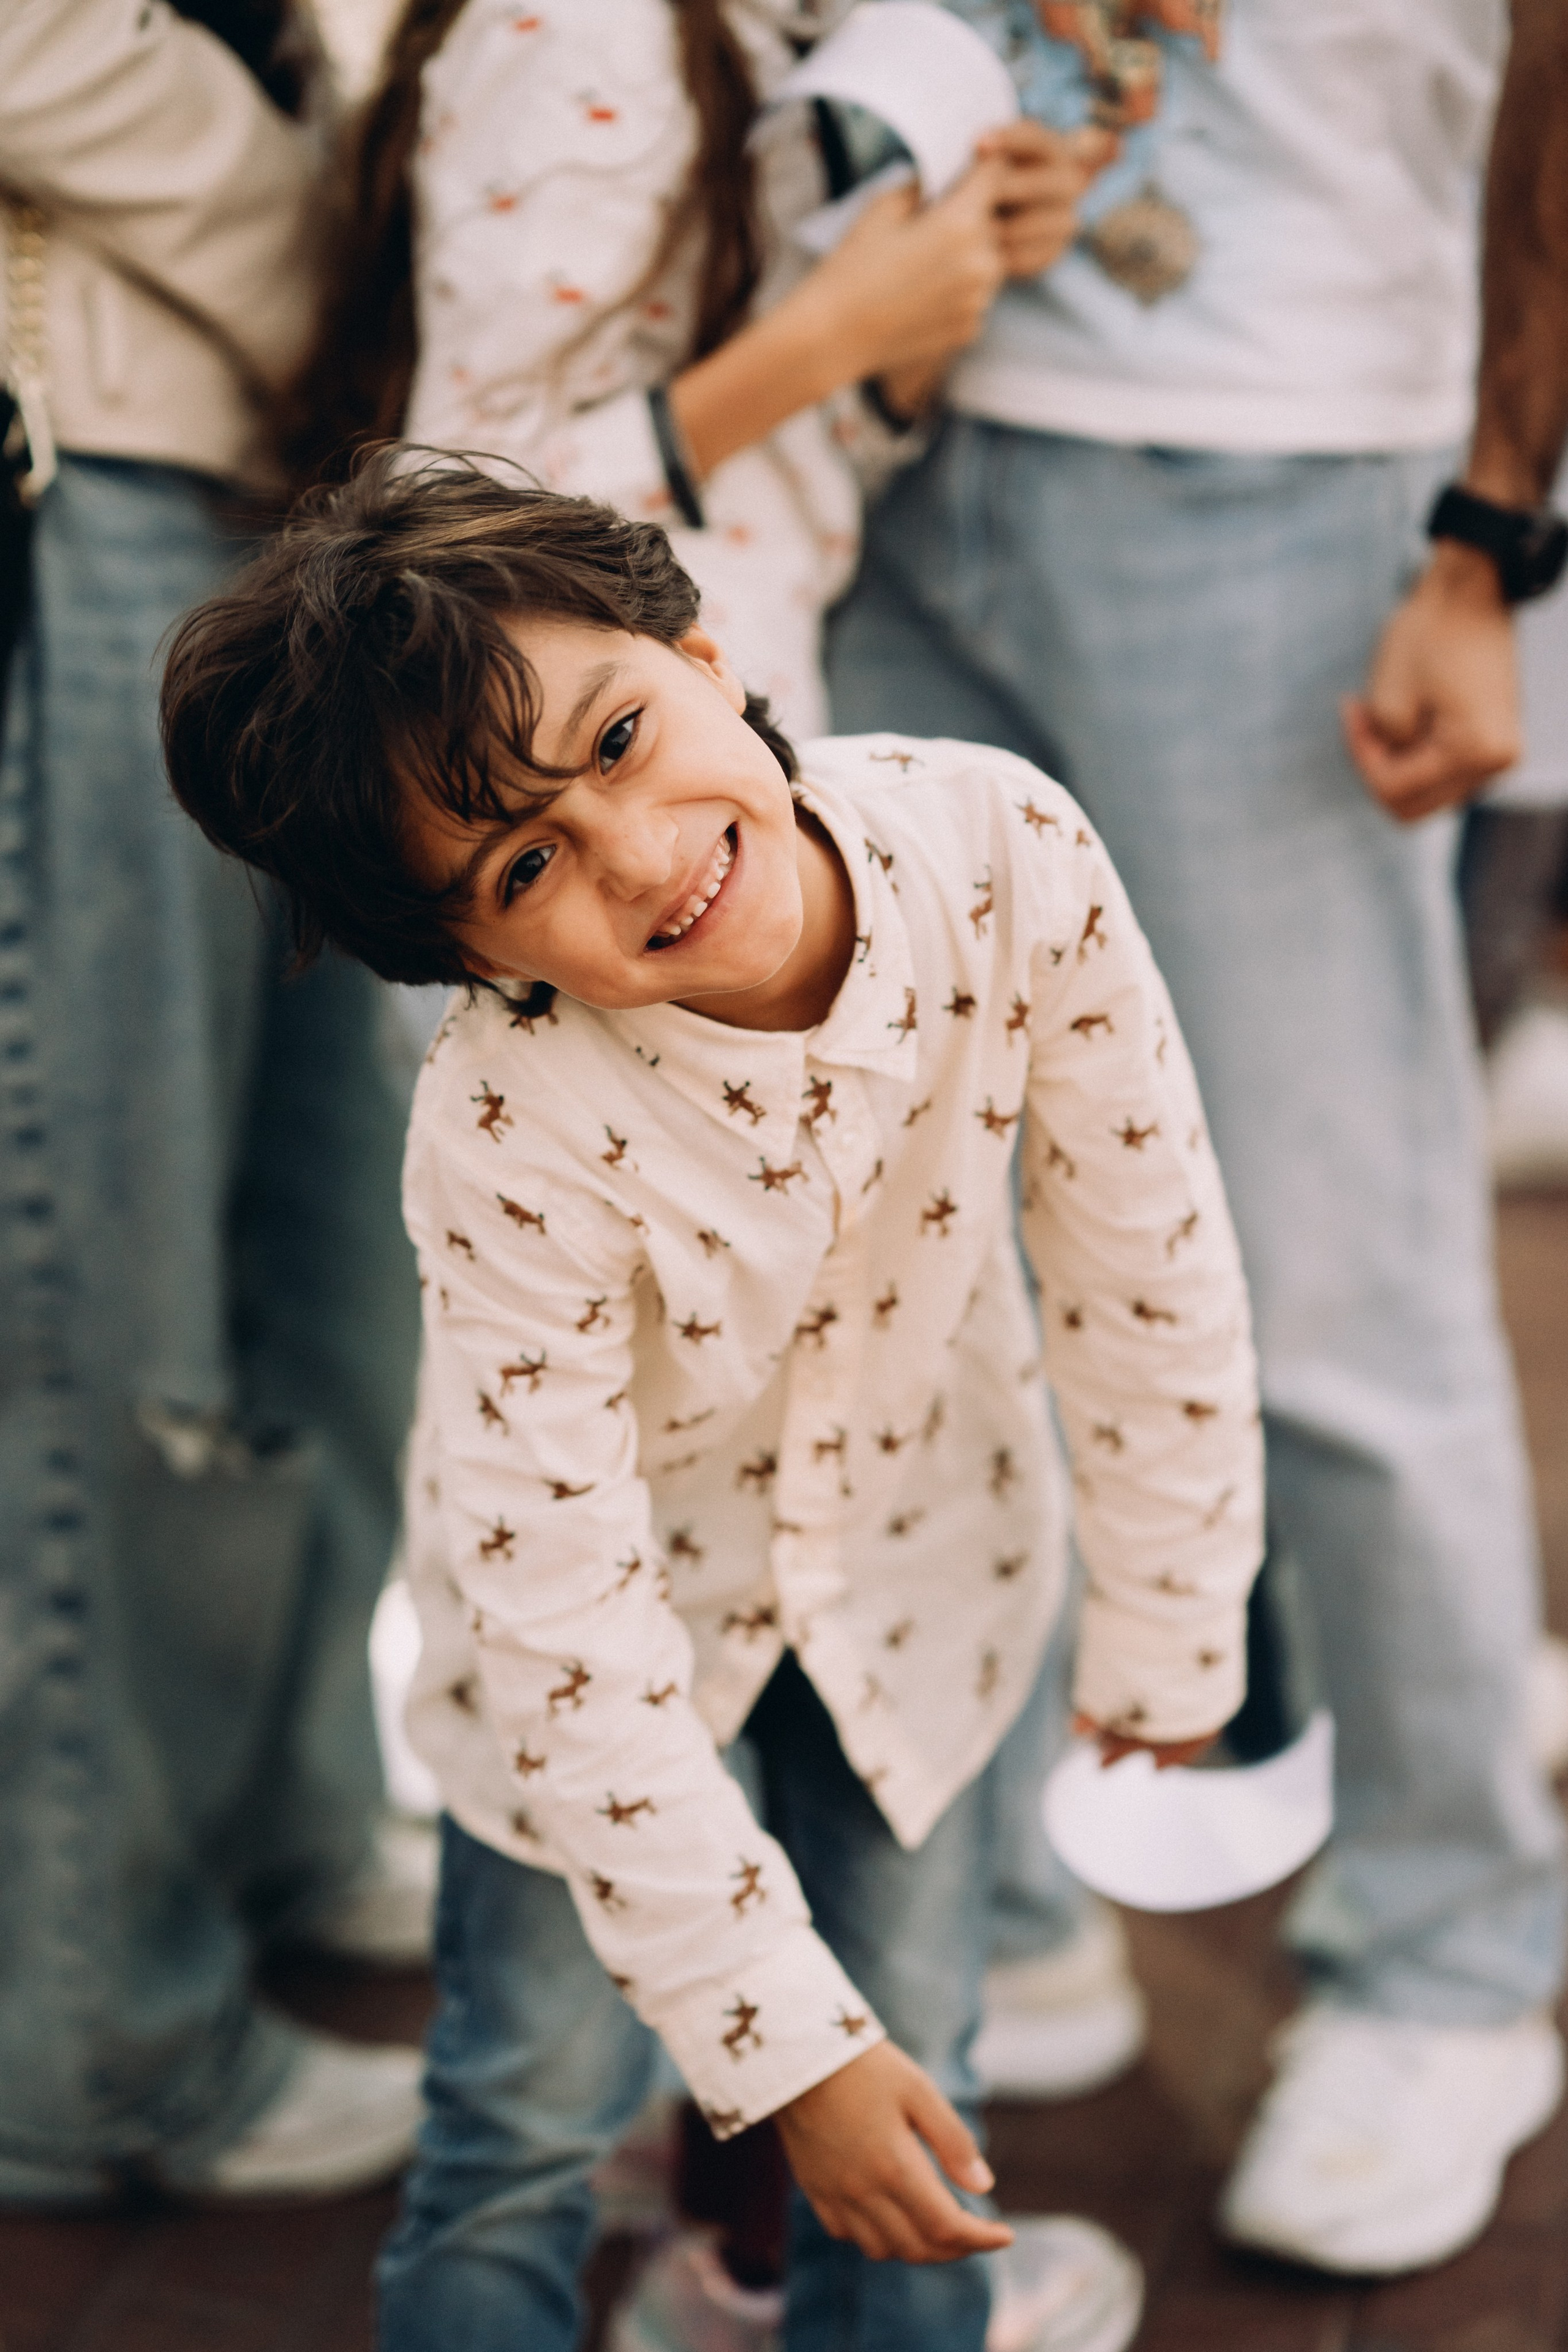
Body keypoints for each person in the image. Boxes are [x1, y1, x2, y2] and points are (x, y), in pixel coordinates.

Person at [157, 450, 1264, 2352]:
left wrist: (1174, 1613)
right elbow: (562, 1608)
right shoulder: (508, 1128)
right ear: (472, 962)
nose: (638, 854)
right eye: (522, 870)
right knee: (516, 2132)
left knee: (921, 2131)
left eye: (615, 737)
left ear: (700, 644)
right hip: (585, 1684)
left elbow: (1141, 1255)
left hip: (927, 1588)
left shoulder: (1001, 852)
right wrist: (774, 2043)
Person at [827, 0, 1568, 2277]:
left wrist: (1494, 528)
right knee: (925, 1264)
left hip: (1284, 451)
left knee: (1324, 1282)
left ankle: (1456, 1956)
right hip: (882, 428)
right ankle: (1012, 1904)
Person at [0, 0, 422, 2208]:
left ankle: (271, 1835)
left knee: (324, 1260)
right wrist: (344, 280)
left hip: (250, 490)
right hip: (70, 476)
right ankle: (88, 2034)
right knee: (100, 1295)